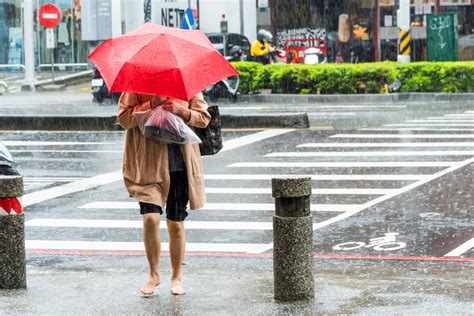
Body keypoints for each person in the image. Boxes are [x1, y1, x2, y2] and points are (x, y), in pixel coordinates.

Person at [117, 92, 211, 296]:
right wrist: (151, 104)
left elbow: (203, 119)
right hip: (148, 165)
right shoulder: (135, 85)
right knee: (150, 218)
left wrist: (181, 111)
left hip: (180, 165)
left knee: (175, 223)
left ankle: (176, 277)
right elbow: (124, 119)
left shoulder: (186, 86)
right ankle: (154, 274)